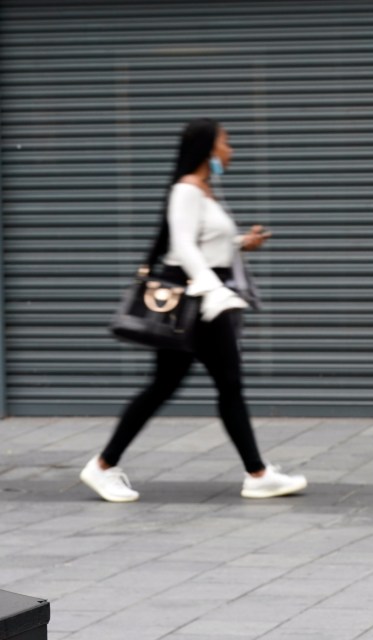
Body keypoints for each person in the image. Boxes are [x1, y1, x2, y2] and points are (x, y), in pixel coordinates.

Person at [81, 118, 307, 502]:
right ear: (208, 148)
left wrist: (239, 242)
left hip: (203, 297)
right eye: (227, 143)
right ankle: (256, 474)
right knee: (220, 384)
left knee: (175, 385)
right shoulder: (186, 190)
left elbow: (204, 243)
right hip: (194, 300)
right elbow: (183, 246)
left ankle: (105, 465)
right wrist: (213, 290)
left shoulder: (204, 190)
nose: (231, 150)